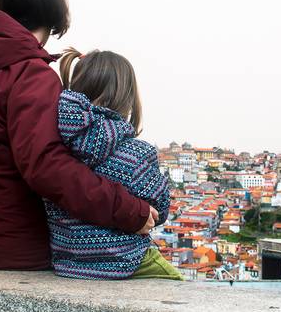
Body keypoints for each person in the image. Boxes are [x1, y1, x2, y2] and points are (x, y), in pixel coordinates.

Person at [0, 0, 156, 269]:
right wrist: (131, 211)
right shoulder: (30, 74)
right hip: (12, 245)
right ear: (52, 14)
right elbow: (48, 168)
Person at [46, 48, 181, 280]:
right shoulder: (138, 154)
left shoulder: (55, 148)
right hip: (126, 260)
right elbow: (160, 210)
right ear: (126, 98)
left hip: (67, 263)